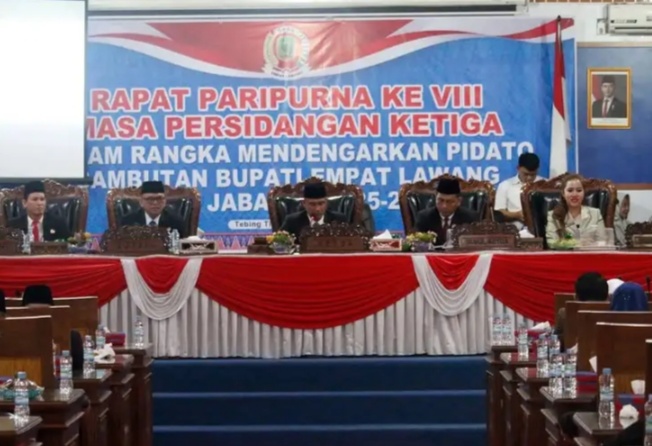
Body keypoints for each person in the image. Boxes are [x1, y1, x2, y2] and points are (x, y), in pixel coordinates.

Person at [414, 178, 480, 245]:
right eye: (440, 200)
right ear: (435, 198)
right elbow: (418, 243)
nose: (444, 206)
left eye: (449, 202)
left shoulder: (471, 218)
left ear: (459, 201)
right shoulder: (424, 217)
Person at [545, 175, 605, 245]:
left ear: (584, 192)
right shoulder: (554, 215)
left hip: (591, 252)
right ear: (563, 193)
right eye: (570, 190)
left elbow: (603, 242)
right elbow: (552, 243)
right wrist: (579, 243)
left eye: (579, 190)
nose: (574, 194)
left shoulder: (596, 214)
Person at [554, 272, 608, 346]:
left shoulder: (564, 314)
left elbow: (556, 342)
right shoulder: (614, 316)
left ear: (576, 297)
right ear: (606, 297)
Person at [280, 182, 347, 239]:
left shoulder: (339, 220)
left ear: (326, 203)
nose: (317, 209)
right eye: (312, 204)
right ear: (304, 203)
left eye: (321, 203)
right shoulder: (291, 221)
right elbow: (280, 242)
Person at [120, 181, 187, 238]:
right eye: (150, 199)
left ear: (165, 201)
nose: (155, 203)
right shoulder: (128, 222)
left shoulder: (176, 222)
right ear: (141, 202)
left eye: (159, 198)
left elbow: (184, 245)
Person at [494, 153, 543, 229]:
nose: (529, 178)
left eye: (533, 174)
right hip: (513, 229)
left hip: (540, 228)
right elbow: (499, 212)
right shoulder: (505, 186)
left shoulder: (545, 185)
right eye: (526, 174)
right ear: (518, 168)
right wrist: (517, 215)